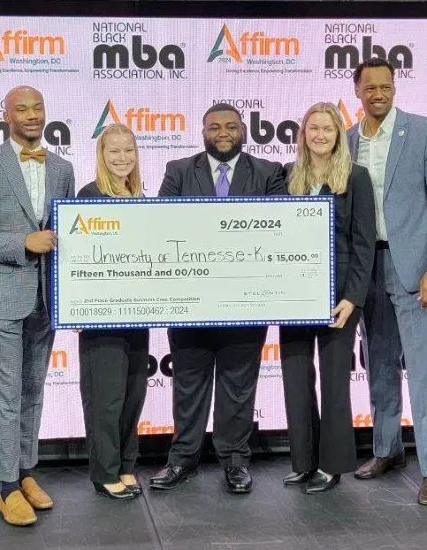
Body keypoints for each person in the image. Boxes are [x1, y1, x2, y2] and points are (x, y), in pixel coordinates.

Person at [0, 85, 75, 526]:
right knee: (6, 394)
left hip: (47, 298)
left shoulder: (62, 167)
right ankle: (5, 486)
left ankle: (25, 472)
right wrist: (22, 243)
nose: (31, 114)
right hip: (3, 295)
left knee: (34, 390)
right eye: (21, 108)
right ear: (6, 115)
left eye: (37, 107)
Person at [150, 103, 287, 494]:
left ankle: (235, 462)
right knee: (188, 387)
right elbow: (161, 228)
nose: (222, 132)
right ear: (203, 131)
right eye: (214, 127)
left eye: (230, 126)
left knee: (238, 388)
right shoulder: (178, 171)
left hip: (246, 303)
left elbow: (281, 231)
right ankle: (183, 460)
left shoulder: (268, 173)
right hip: (190, 302)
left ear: (244, 129)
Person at [346, 58, 427, 505]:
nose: (378, 93)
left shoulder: (426, 132)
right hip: (365, 267)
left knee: (424, 371)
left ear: (395, 87)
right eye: (370, 86)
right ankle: (387, 449)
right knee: (379, 365)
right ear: (357, 90)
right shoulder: (348, 139)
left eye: (385, 85)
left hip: (414, 269)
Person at [280, 102, 376, 493]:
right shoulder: (288, 177)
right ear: (303, 134)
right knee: (295, 378)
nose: (320, 135)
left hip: (340, 297)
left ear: (339, 135)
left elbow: (364, 243)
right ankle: (303, 462)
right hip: (293, 295)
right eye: (313, 128)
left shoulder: (356, 177)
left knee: (335, 381)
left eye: (328, 129)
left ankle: (332, 465)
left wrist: (353, 298)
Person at [76, 123, 149, 501]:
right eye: (114, 152)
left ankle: (125, 464)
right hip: (101, 314)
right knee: (105, 397)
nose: (122, 158)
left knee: (133, 392)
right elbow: (76, 259)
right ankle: (105, 471)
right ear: (101, 156)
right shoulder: (89, 196)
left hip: (138, 309)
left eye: (129, 151)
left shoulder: (138, 196)